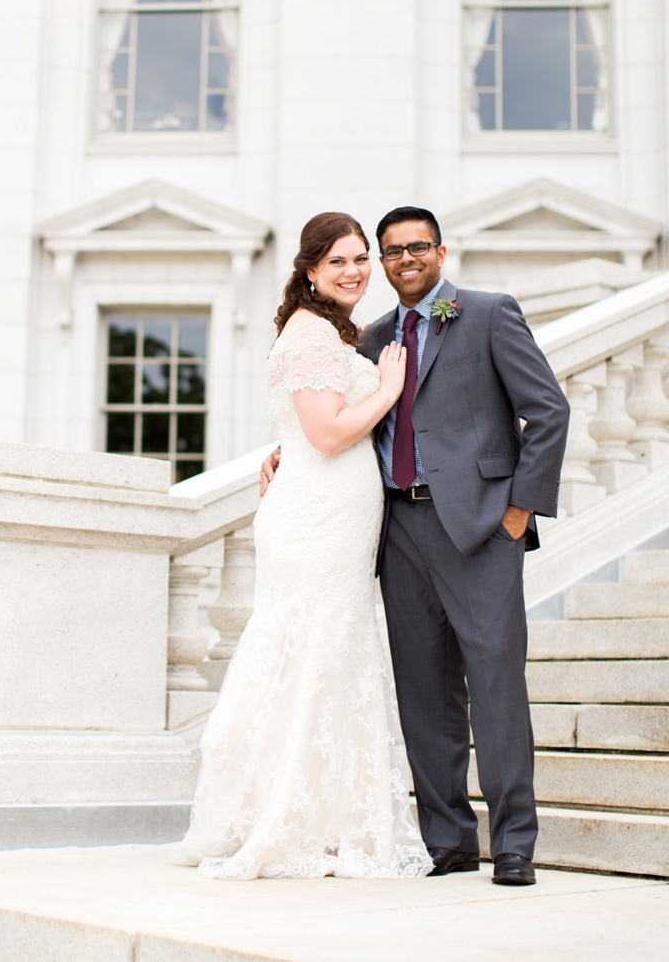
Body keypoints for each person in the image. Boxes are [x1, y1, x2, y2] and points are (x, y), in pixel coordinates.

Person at [251, 207, 569, 887]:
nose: (401, 259)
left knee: (495, 685)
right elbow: (339, 418)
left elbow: (548, 411)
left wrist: (518, 510)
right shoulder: (369, 337)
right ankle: (448, 838)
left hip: (482, 529)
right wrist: (286, 452)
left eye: (415, 246)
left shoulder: (487, 313)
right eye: (389, 250)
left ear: (440, 251)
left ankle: (514, 841)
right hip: (398, 531)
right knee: (424, 694)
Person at [174, 212, 431, 879]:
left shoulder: (321, 331)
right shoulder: (314, 332)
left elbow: (303, 427)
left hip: (327, 509)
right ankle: (290, 816)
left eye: (359, 259)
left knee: (321, 651)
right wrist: (389, 389)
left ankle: (319, 812)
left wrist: (285, 446)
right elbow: (327, 431)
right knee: (314, 648)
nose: (353, 270)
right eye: (337, 260)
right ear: (311, 269)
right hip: (320, 515)